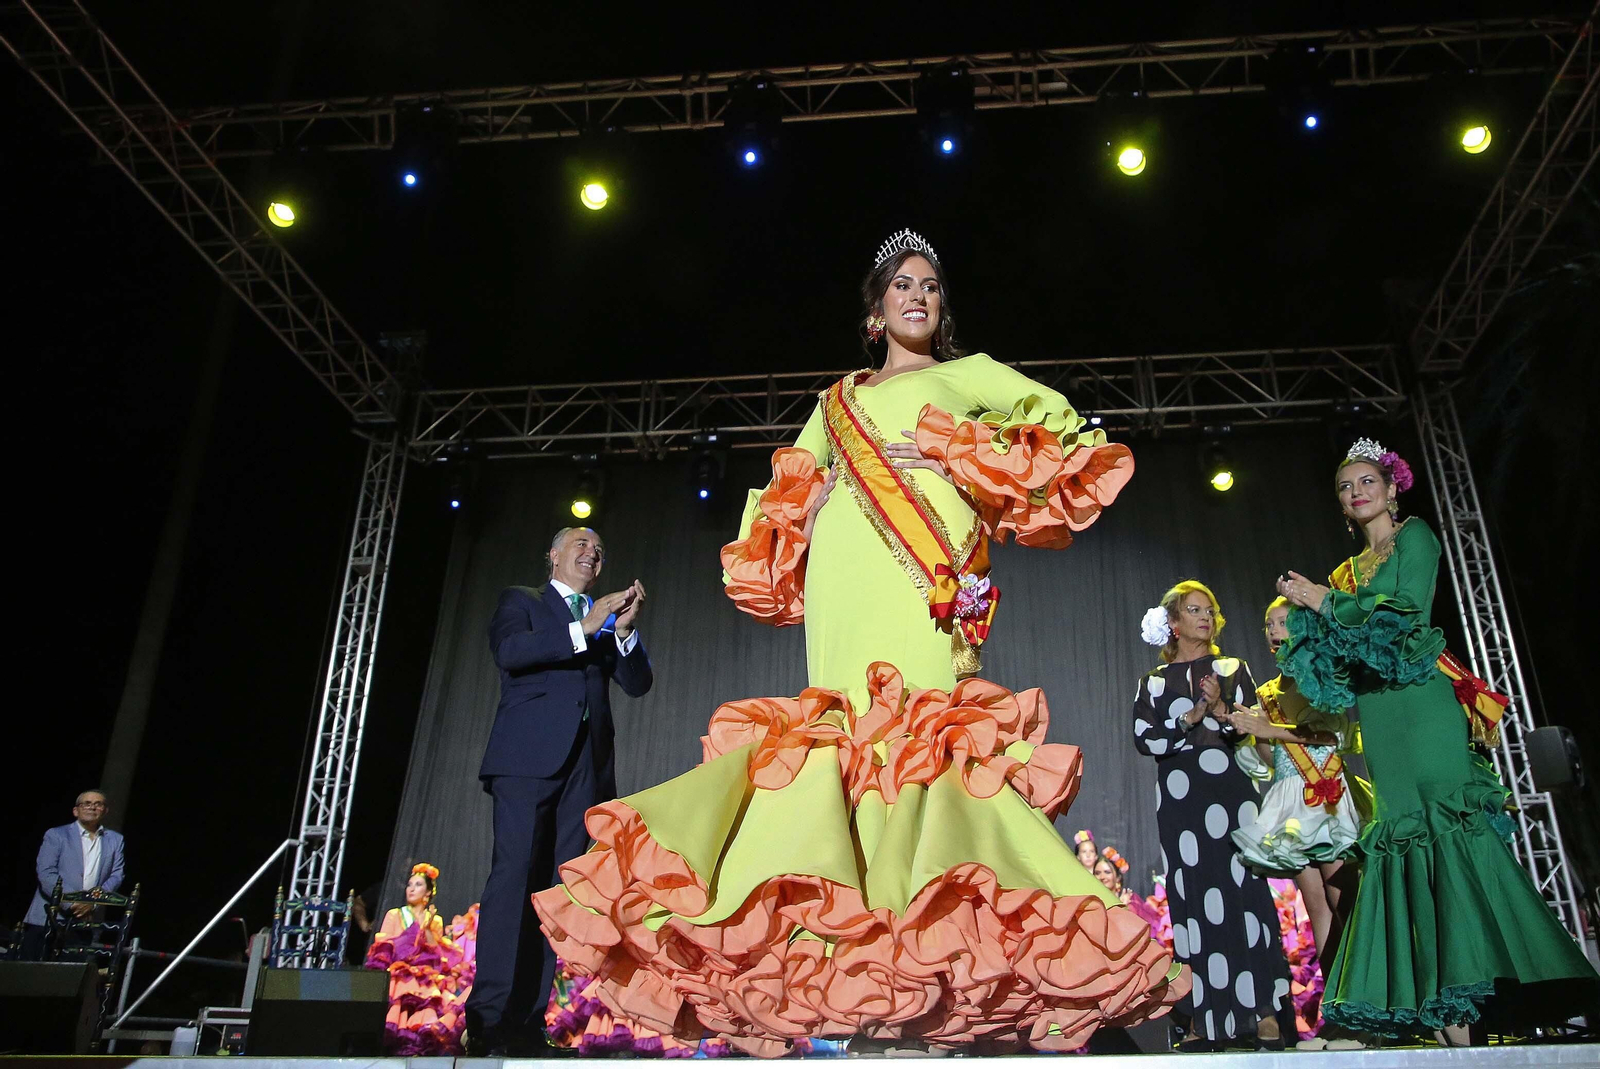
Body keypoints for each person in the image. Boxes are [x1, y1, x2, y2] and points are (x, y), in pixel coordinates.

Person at [534, 230, 1182, 1057]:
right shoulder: (835, 399)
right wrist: (810, 501)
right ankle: (865, 977)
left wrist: (958, 452)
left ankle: (936, 974)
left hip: (924, 579)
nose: (918, 296)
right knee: (843, 747)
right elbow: (783, 495)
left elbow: (1070, 441)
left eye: (932, 287)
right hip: (848, 572)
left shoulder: (970, 375)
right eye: (901, 287)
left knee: (923, 745)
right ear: (875, 312)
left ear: (942, 309)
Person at [1274, 438, 1599, 1043]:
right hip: (1380, 716)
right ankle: (1449, 1021)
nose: (1356, 492)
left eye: (1367, 481)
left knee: (1447, 838)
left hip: (1422, 708)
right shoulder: (1346, 573)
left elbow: (1402, 619)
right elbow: (1338, 669)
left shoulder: (1414, 538)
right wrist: (1303, 624)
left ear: (1392, 489)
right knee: (1403, 846)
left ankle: (1500, 989)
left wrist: (1322, 603)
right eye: (1345, 487)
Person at [464, 527, 653, 1056]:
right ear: (552, 554)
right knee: (514, 880)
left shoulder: (606, 621)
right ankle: (488, 1020)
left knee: (555, 895)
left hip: (584, 773)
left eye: (599, 549)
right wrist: (585, 627)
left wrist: (622, 634)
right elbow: (511, 652)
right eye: (580, 544)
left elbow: (637, 684)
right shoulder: (522, 602)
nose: (591, 553)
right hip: (527, 762)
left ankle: (526, 1024)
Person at [1131, 582, 1293, 1051]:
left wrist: (1219, 707)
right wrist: (1191, 717)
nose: (1205, 617)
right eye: (1194, 610)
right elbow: (1146, 740)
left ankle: (1263, 1013)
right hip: (1182, 801)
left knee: (1246, 895)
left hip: (1230, 793)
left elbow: (1249, 730)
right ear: (1174, 623)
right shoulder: (1153, 683)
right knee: (1194, 902)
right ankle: (1204, 1017)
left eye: (1210, 610)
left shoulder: (1233, 668)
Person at [1225, 597, 1368, 1050]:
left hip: (1326, 794)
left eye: (1284, 622)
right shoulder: (1269, 690)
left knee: (1343, 900)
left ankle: (1366, 1007)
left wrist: (1270, 731)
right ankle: (1340, 1015)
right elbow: (1269, 760)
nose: (1273, 630)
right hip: (1290, 801)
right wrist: (1249, 728)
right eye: (1268, 623)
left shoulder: (1322, 674)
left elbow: (1330, 737)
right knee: (1318, 908)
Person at [366, 864, 475, 1055]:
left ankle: (415, 1048)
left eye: (417, 885)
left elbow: (436, 952)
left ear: (428, 893)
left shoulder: (435, 920)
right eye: (409, 885)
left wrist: (426, 926)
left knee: (429, 1006)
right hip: (399, 974)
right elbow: (384, 946)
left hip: (425, 976)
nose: (411, 889)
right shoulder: (395, 914)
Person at [22, 789, 126, 960]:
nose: (92, 807)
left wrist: (91, 903)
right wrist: (73, 903)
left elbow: (116, 875)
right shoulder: (56, 834)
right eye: (87, 803)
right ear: (76, 810)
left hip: (84, 921)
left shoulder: (115, 840)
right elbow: (46, 872)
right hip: (47, 918)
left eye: (98, 804)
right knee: (31, 977)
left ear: (105, 811)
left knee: (68, 979)